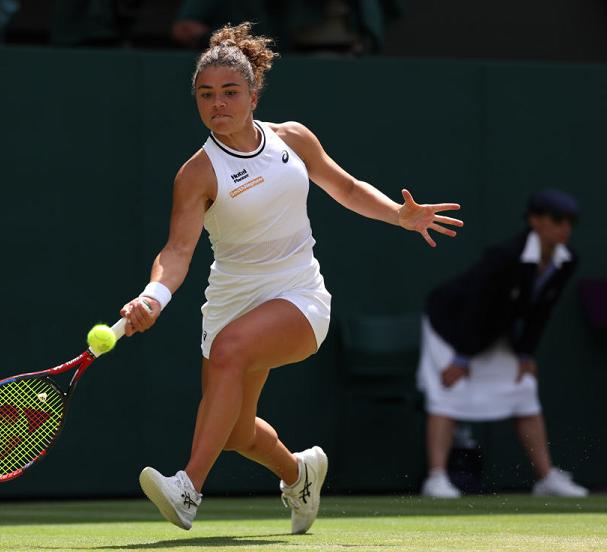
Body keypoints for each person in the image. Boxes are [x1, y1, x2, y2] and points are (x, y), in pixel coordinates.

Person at [119, 21, 463, 533]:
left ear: (254, 94)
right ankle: (299, 473)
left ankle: (189, 487)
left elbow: (345, 188)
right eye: (206, 94)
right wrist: (152, 297)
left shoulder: (293, 139)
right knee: (235, 432)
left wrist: (399, 214)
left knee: (232, 351)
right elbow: (177, 250)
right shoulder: (196, 174)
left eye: (230, 92)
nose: (218, 104)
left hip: (299, 296)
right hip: (230, 302)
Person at [417, 189, 588, 499]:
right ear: (535, 221)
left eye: (570, 221)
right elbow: (475, 305)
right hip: (451, 324)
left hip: (493, 331)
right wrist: (462, 358)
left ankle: (546, 478)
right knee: (446, 391)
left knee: (523, 390)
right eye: (557, 219)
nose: (565, 227)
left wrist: (525, 353)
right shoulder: (505, 256)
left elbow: (542, 309)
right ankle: (437, 478)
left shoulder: (567, 260)